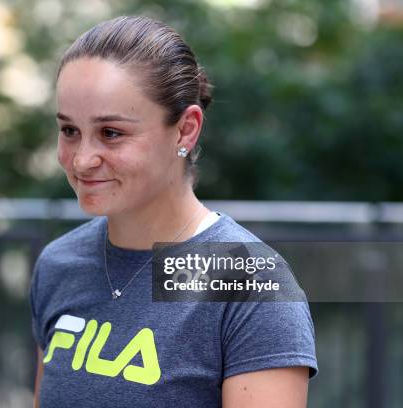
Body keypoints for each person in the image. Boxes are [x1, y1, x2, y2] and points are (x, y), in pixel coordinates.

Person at [30, 15, 318, 408]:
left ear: (185, 130)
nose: (81, 161)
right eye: (69, 131)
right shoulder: (59, 265)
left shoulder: (250, 286)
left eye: (111, 133)